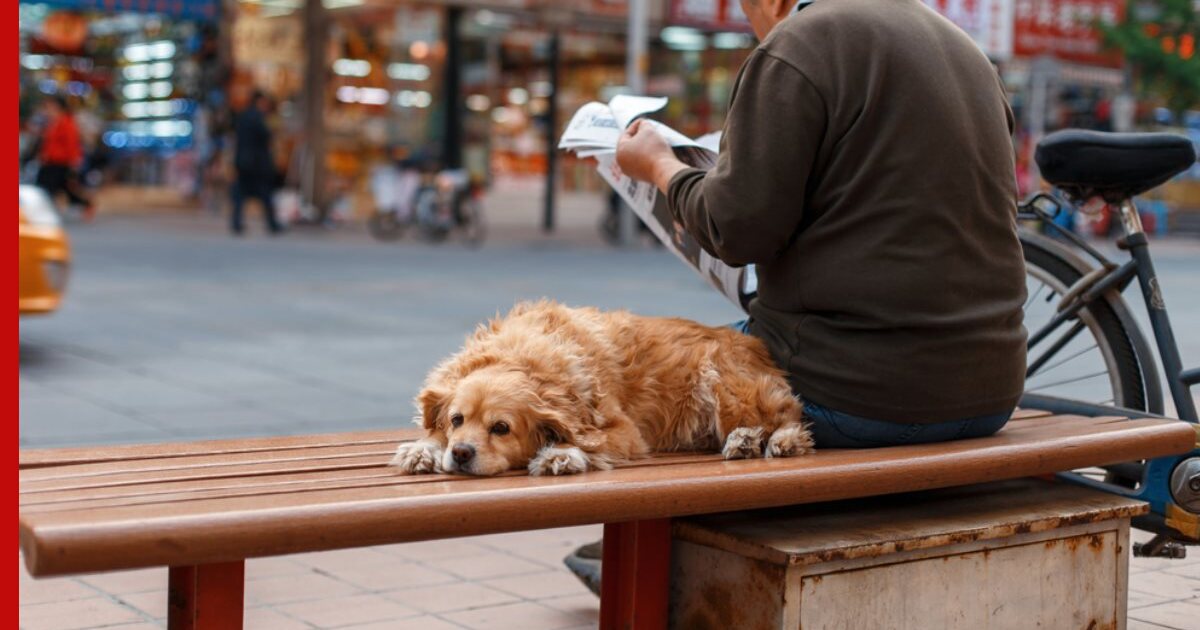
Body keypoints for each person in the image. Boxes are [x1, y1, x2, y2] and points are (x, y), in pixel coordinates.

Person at [567, 0, 1029, 594]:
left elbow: (738, 229)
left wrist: (660, 166)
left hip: (858, 394)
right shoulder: (961, 46)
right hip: (991, 389)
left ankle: (647, 564)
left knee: (662, 381)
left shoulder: (798, 44)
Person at [231, 91, 283, 236]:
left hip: (244, 161)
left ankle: (237, 222)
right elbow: (266, 136)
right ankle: (271, 223)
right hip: (257, 163)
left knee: (241, 194)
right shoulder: (257, 118)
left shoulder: (243, 116)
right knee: (265, 193)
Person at [36, 96, 94, 220]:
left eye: (50, 107)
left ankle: (86, 204)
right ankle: (84, 204)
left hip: (61, 163)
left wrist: (74, 163)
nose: (47, 110)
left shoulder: (67, 123)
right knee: (59, 188)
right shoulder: (52, 123)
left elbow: (72, 144)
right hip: (50, 162)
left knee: (53, 188)